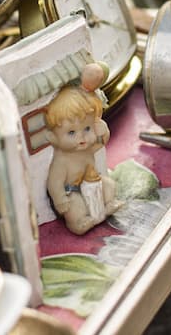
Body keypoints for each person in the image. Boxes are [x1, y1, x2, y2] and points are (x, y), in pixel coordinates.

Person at [43, 62, 122, 234]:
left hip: (91, 184)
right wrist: (60, 199)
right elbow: (54, 182)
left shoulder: (85, 149)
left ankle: (108, 204)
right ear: (53, 137)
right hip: (71, 191)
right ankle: (77, 222)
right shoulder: (62, 160)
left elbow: (100, 143)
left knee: (108, 184)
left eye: (86, 129)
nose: (81, 138)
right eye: (71, 132)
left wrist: (103, 131)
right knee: (75, 204)